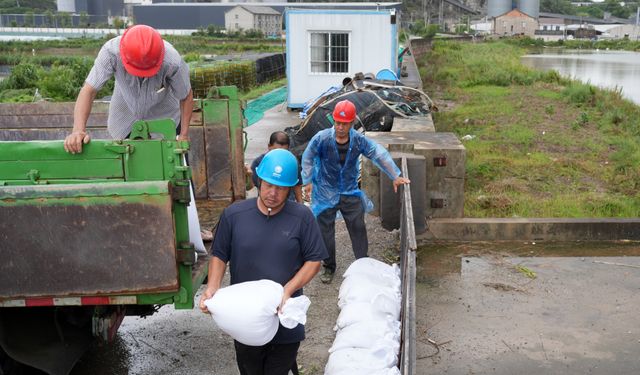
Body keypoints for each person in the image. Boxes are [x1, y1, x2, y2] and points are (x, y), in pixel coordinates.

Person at [199, 149, 327, 375]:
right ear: (258, 180)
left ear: (290, 188)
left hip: (285, 317)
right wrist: (212, 288)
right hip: (246, 318)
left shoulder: (302, 217)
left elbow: (314, 261)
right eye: (268, 185)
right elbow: (219, 254)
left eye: (281, 188)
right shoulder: (234, 215)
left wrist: (287, 291)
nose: (273, 193)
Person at [301, 99, 410, 284]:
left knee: (358, 226)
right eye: (337, 122)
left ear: (352, 123)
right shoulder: (322, 138)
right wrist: (308, 181)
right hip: (325, 192)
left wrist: (395, 175)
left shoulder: (358, 140)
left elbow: (378, 154)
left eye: (344, 123)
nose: (340, 127)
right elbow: (308, 157)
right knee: (325, 230)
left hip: (350, 191)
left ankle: (362, 264)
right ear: (333, 121)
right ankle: (329, 266)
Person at [63, 24, 193, 154]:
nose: (142, 75)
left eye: (147, 71)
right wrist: (78, 131)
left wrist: (183, 135)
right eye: (138, 70)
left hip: (164, 118)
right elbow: (89, 90)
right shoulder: (111, 52)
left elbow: (186, 96)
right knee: (125, 167)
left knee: (174, 166)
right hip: (125, 118)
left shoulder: (172, 62)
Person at [248, 131, 303, 203]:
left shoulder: (292, 163)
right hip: (266, 203)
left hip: (287, 204)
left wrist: (301, 204)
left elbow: (297, 185)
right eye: (276, 150)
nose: (278, 155)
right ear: (269, 146)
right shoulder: (259, 162)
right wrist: (248, 176)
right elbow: (250, 186)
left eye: (283, 151)